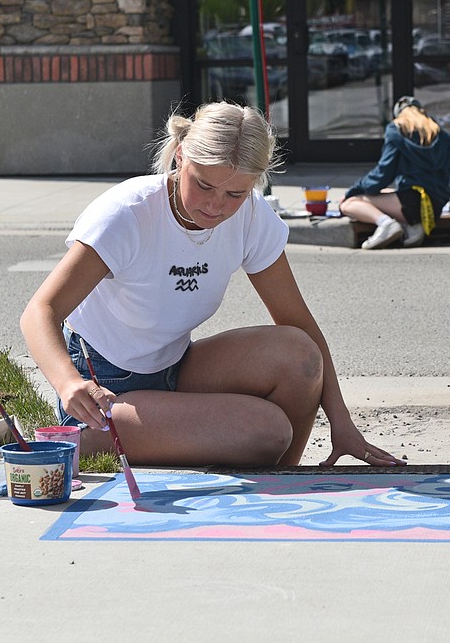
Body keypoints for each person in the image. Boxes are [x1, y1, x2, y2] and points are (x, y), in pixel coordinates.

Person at [20, 101, 403, 469]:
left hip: (175, 365)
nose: (216, 206)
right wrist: (70, 384)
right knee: (266, 431)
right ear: (181, 156)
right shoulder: (127, 213)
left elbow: (298, 323)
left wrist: (342, 422)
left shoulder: (252, 215)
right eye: (204, 185)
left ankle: (285, 481)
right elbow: (40, 312)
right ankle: (71, 439)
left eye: (235, 193)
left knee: (298, 355)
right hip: (105, 386)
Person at [339, 96, 450, 250]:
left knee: (350, 203)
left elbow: (383, 174)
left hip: (412, 203)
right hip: (435, 205)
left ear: (398, 115)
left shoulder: (397, 130)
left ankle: (386, 224)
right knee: (389, 192)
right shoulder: (440, 134)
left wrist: (354, 190)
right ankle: (413, 227)